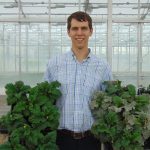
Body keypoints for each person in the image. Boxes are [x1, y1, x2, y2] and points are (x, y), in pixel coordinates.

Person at [44, 11, 113, 150]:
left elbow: (110, 102)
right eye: (75, 28)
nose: (79, 33)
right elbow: (44, 100)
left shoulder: (102, 66)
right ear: (68, 32)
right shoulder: (54, 64)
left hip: (91, 140)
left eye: (84, 28)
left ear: (91, 31)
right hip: (60, 139)